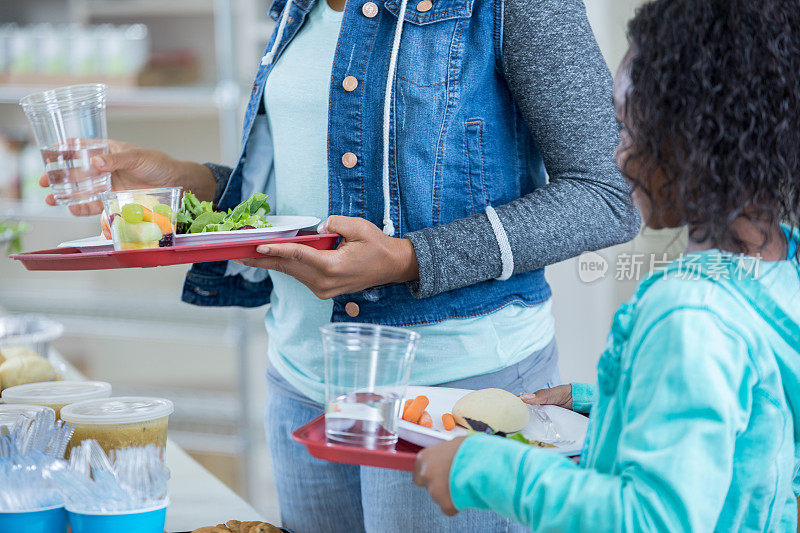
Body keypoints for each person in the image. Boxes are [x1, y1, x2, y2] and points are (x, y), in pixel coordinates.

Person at [42, 0, 639, 530]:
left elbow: (608, 196)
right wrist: (183, 183)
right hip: (303, 385)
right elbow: (300, 204)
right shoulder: (296, 8)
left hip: (450, 400)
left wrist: (410, 259)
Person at [413, 0, 800, 530]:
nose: (618, 157)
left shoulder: (687, 313)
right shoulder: (782, 262)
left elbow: (649, 518)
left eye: (629, 130)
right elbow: (750, 422)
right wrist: (610, 404)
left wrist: (483, 469)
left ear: (693, 139)